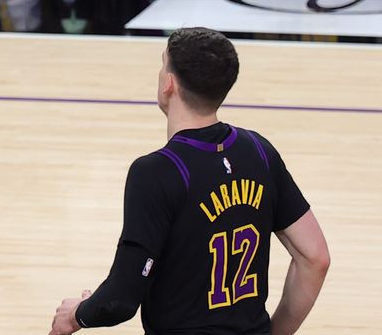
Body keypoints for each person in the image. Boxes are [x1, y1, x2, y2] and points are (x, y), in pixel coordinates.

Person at [47, 27, 330, 335]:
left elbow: (121, 299)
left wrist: (76, 314)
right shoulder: (260, 152)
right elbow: (315, 258)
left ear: (169, 83)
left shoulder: (156, 172)